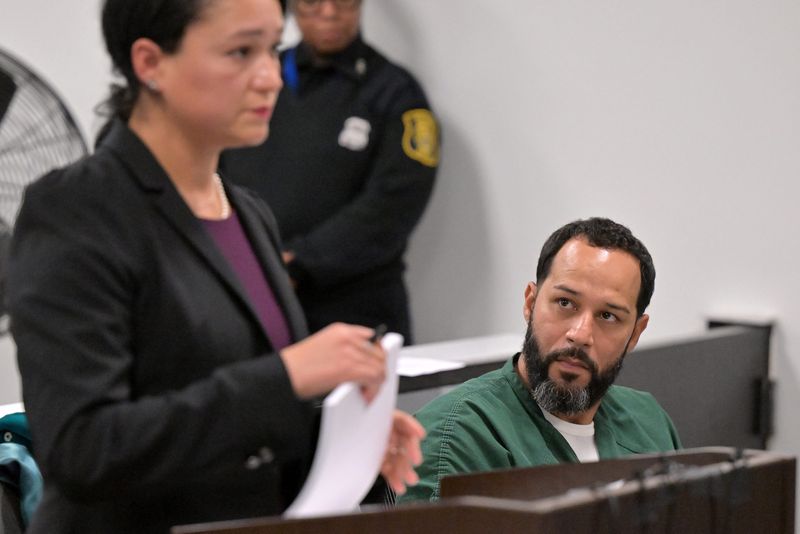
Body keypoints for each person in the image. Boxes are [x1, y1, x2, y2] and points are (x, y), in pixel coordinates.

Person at [6, 1, 424, 532]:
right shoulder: (78, 210)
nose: (271, 77)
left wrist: (341, 440)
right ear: (149, 62)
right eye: (241, 52)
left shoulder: (248, 214)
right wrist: (287, 378)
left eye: (272, 49)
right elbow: (84, 449)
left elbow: (239, 417)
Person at [398, 217, 682, 503]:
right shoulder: (459, 433)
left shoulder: (649, 422)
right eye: (565, 303)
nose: (580, 334)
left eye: (608, 316)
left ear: (635, 333)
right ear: (530, 303)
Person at [220, 0, 439, 344]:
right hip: (252, 297)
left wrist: (298, 262)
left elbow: (395, 202)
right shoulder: (257, 82)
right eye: (312, 2)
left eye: (342, 1)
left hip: (355, 309)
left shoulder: (395, 92)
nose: (328, 13)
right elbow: (212, 175)